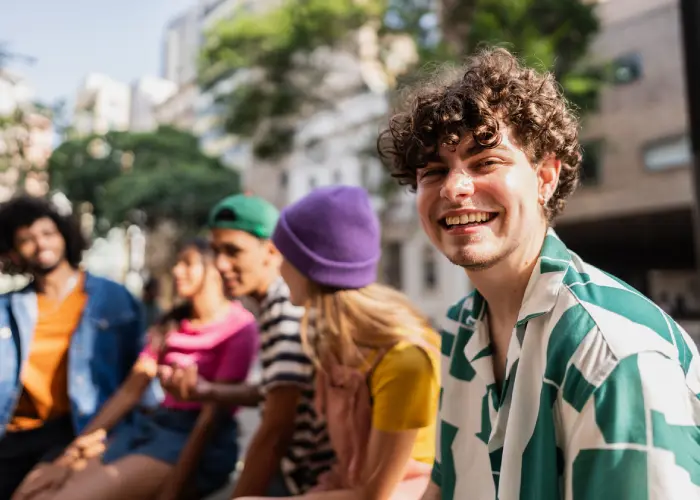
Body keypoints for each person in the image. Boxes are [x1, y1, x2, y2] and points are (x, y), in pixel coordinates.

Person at [376, 47, 700, 499]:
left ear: (546, 176)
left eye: (485, 161)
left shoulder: (613, 354)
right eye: (433, 171)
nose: (455, 188)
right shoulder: (458, 327)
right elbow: (444, 488)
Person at [12, 238, 259, 500]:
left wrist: (173, 489)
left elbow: (210, 418)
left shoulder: (238, 327)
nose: (176, 271)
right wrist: (72, 455)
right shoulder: (171, 323)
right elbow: (129, 392)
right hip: (149, 426)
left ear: (213, 271)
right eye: (177, 263)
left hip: (193, 441)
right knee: (32, 490)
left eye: (188, 264)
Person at [240, 186, 440, 500]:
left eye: (285, 256)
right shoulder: (332, 340)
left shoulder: (404, 358)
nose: (278, 267)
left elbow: (377, 493)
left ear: (311, 268)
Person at [163, 194, 334, 497]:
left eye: (233, 251)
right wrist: (208, 390)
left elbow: (274, 431)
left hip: (305, 481)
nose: (220, 264)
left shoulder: (287, 309)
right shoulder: (271, 304)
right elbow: (277, 389)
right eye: (216, 251)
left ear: (270, 250)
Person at [0, 196, 151, 499]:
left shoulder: (113, 299)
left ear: (63, 235)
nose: (40, 244)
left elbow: (137, 377)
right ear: (14, 253)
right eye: (26, 239)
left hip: (75, 431)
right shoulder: (7, 308)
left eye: (47, 233)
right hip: (12, 434)